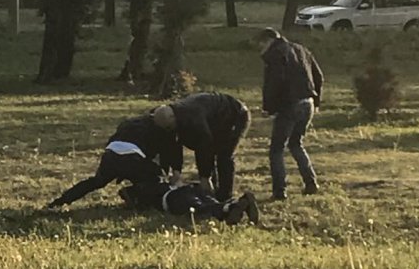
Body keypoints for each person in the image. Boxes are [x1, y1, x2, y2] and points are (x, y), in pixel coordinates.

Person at [46, 113, 177, 208]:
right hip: (132, 157)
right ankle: (134, 195)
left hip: (111, 153)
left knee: (96, 182)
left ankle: (61, 201)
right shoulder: (159, 129)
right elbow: (163, 153)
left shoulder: (130, 122)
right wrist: (168, 171)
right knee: (154, 179)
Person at [152, 92, 250, 202]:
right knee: (212, 153)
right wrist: (176, 171)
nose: (169, 130)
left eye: (169, 127)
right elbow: (174, 144)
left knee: (224, 155)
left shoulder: (194, 119)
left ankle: (225, 196)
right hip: (214, 118)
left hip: (236, 115)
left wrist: (204, 177)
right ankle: (212, 193)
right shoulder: (173, 118)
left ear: (172, 118)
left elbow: (204, 147)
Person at [261, 27, 324, 201]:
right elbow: (319, 76)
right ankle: (311, 183)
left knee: (276, 149)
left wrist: (269, 108)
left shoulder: (275, 55)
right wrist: (316, 100)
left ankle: (280, 191)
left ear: (267, 41)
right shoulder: (301, 49)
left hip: (290, 105)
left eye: (261, 45)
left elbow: (274, 83)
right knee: (296, 144)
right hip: (307, 102)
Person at [120, 179, 260, 226]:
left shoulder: (142, 188)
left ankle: (232, 206)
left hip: (171, 198)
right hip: (192, 187)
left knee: (200, 210)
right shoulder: (158, 179)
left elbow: (124, 193)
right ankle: (235, 205)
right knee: (210, 204)